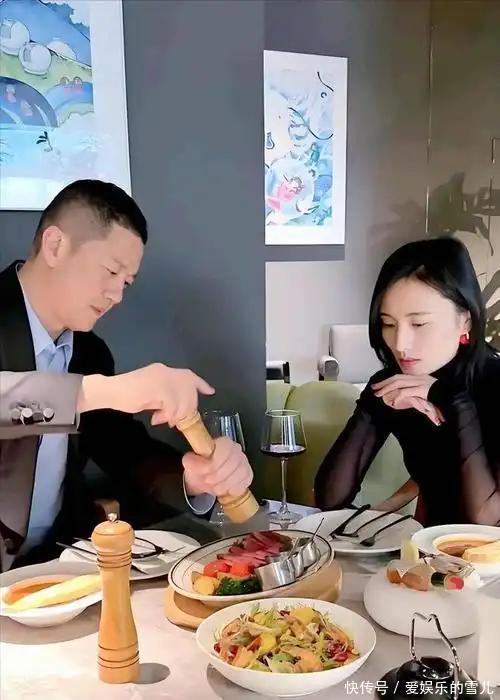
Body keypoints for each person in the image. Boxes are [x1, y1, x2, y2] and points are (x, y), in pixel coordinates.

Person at [0, 179, 253, 572]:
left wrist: (194, 478)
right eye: (111, 271)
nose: (117, 295)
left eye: (126, 282)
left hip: (52, 565)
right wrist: (105, 391)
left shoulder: (89, 351)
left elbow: (126, 452)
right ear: (55, 246)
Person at [315, 238, 500, 527]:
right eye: (388, 324)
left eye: (418, 324)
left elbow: (485, 521)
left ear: (465, 320)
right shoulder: (399, 385)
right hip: (427, 551)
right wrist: (373, 404)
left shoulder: (494, 382)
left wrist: (453, 398)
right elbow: (329, 499)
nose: (400, 344)